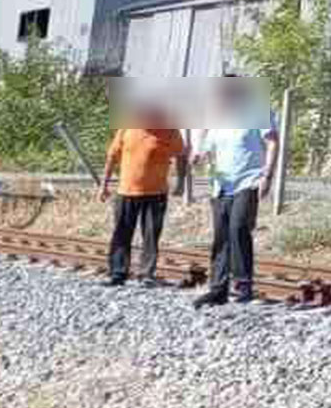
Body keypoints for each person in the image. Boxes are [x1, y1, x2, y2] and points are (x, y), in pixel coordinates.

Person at [191, 75, 279, 308]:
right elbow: (208, 148)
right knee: (221, 235)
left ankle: (243, 285)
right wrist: (198, 155)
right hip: (221, 184)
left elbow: (272, 142)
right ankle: (218, 288)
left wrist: (267, 176)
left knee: (238, 228)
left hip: (248, 181)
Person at [100, 101, 187, 287]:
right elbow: (112, 157)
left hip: (156, 193)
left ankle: (146, 274)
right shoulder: (128, 128)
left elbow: (181, 155)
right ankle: (118, 273)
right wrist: (104, 185)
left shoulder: (170, 130)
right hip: (127, 191)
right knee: (121, 234)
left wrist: (180, 181)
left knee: (150, 236)